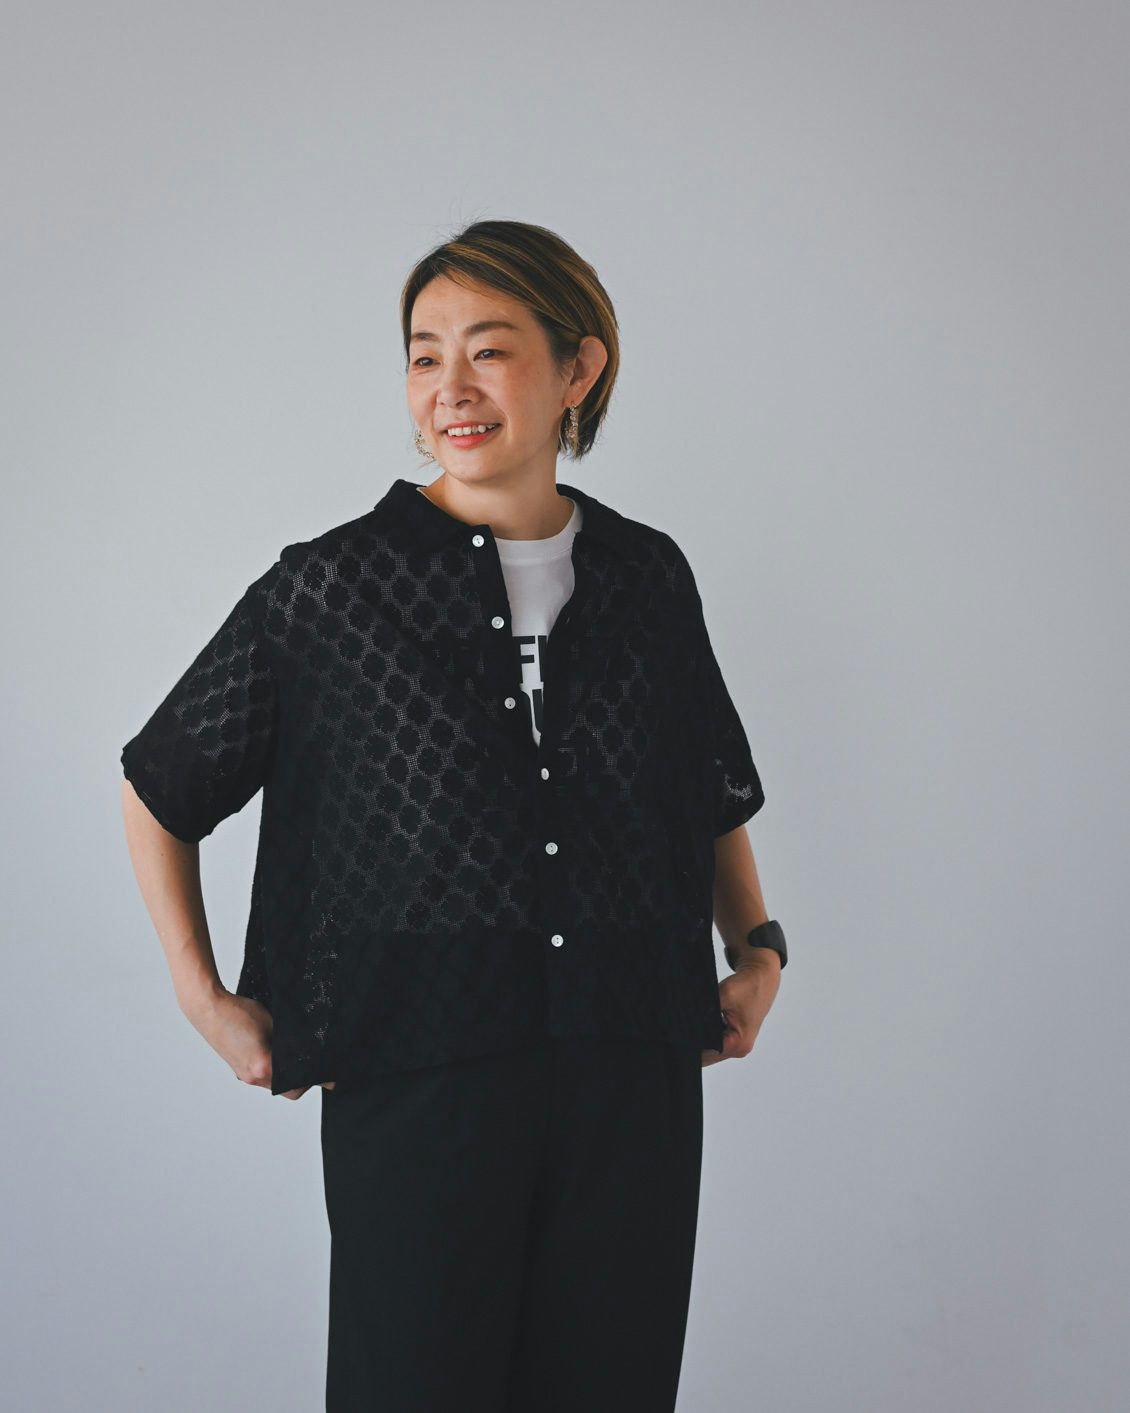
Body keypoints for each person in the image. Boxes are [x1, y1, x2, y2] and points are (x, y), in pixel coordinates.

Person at [120, 218, 787, 1412]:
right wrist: (202, 996)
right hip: (416, 1067)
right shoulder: (332, 589)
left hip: (628, 1065)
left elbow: (697, 787)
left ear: (577, 368)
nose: (450, 389)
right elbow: (161, 784)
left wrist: (757, 947)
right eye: (424, 357)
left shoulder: (647, 578)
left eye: (488, 350)